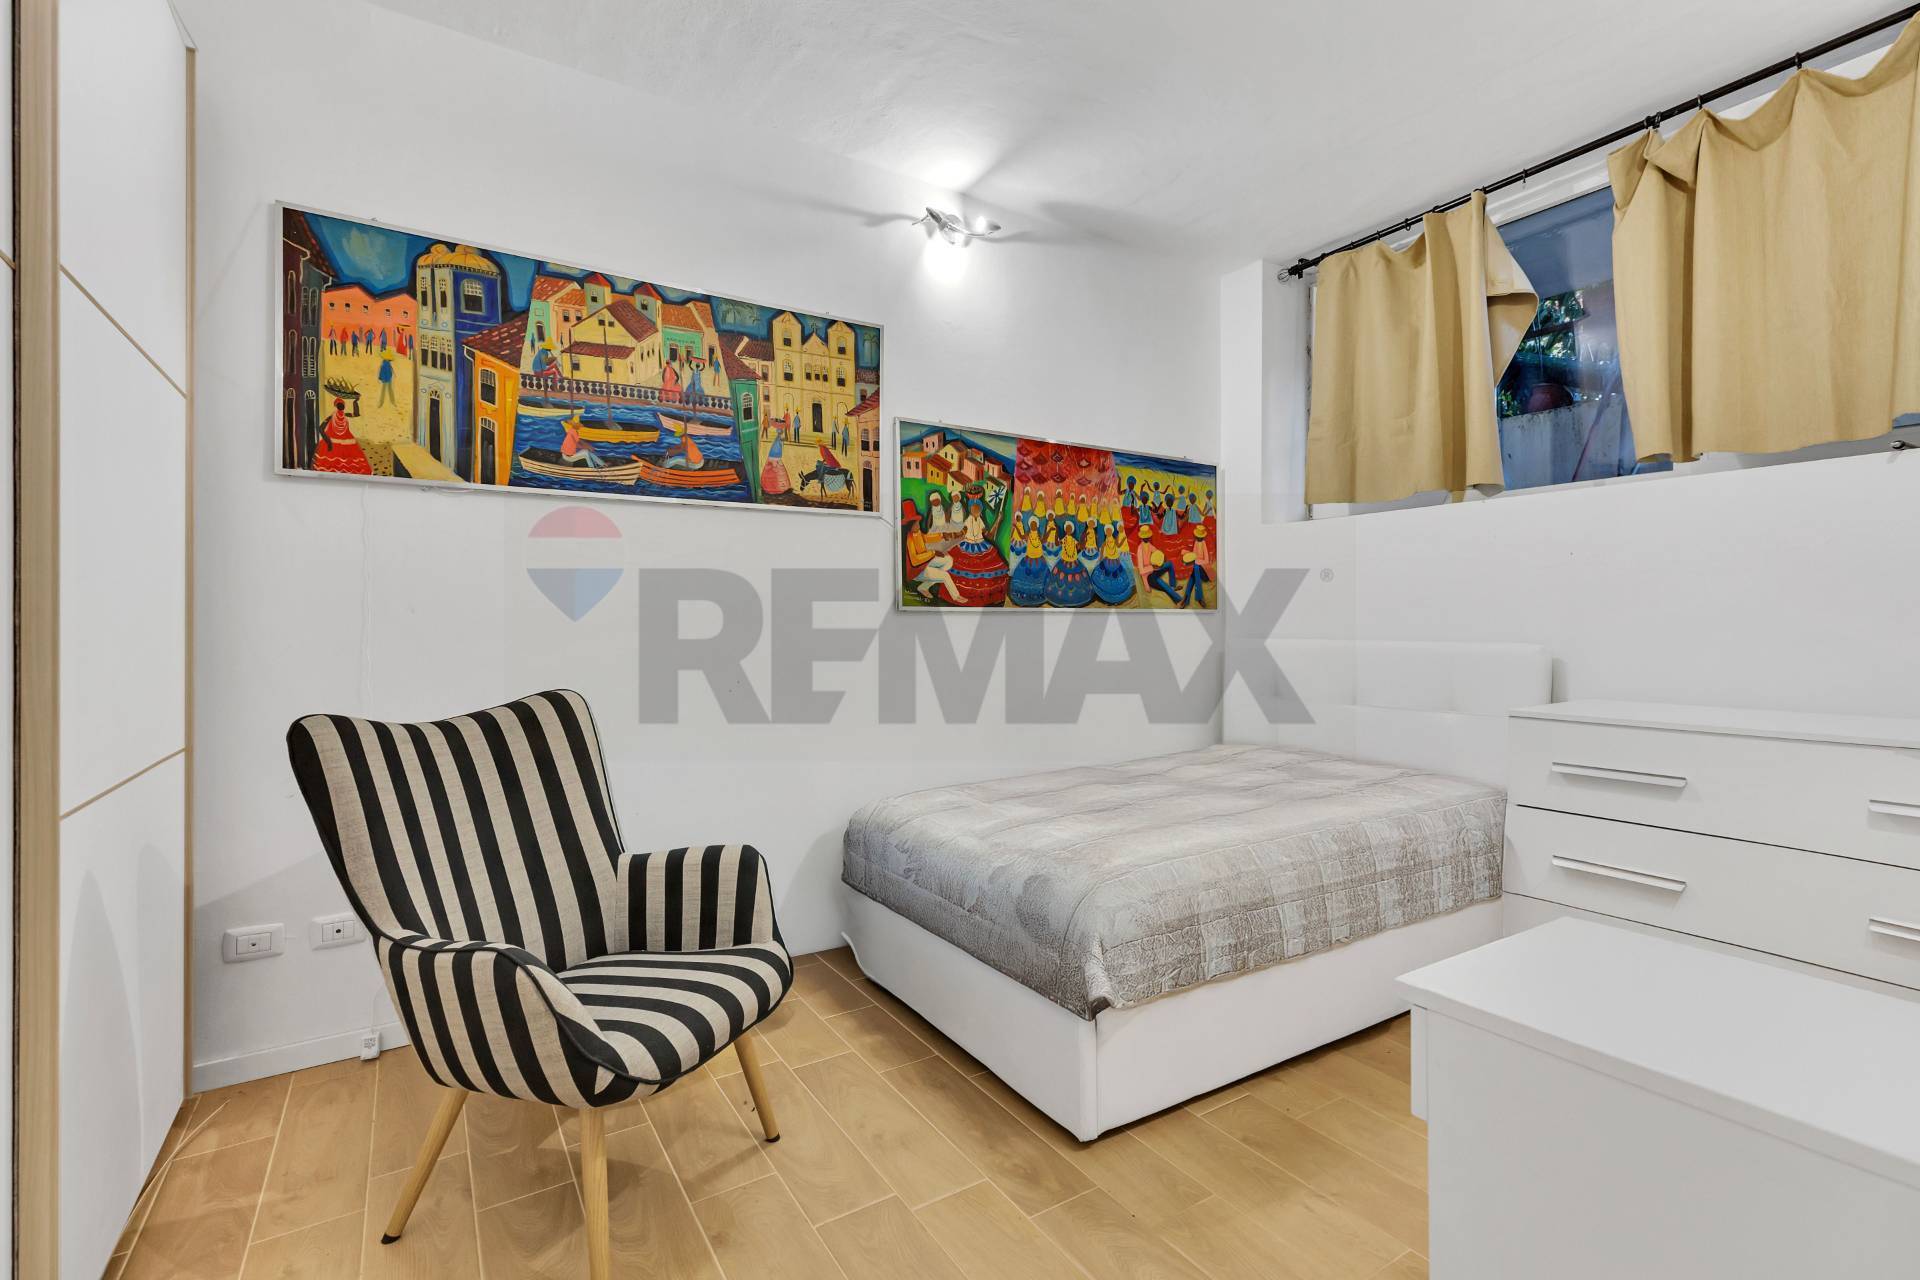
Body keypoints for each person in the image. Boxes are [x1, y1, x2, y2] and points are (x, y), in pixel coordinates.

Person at [901, 500, 960, 604]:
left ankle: (923, 587)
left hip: (925, 564)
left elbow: (926, 537)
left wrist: (942, 535)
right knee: (945, 575)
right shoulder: (908, 539)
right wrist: (933, 553)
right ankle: (956, 597)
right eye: (916, 522)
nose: (918, 524)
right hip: (916, 571)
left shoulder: (917, 533)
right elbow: (915, 561)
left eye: (918, 521)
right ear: (910, 525)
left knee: (948, 560)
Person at [311, 398, 371, 475]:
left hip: (347, 443)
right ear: (336, 406)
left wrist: (355, 402)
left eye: (342, 404)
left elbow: (356, 414)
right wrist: (328, 442)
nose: (341, 406)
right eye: (339, 404)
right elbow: (321, 428)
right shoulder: (331, 417)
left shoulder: (345, 415)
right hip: (333, 444)